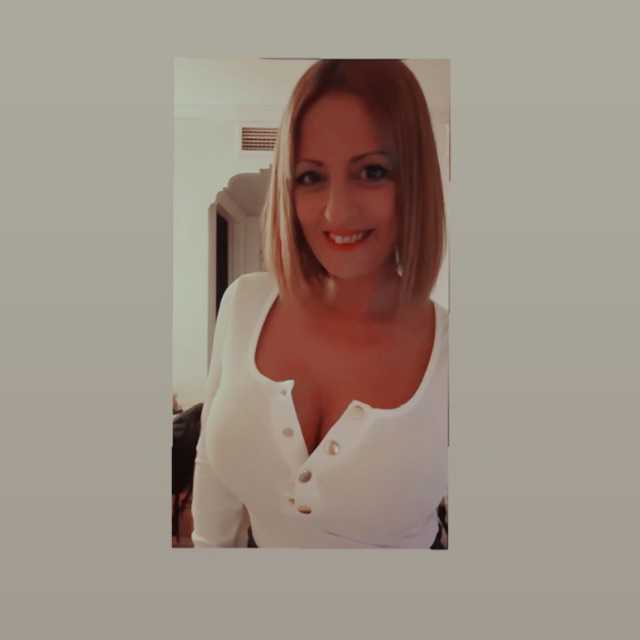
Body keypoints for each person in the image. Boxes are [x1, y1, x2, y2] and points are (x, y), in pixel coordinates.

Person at [191, 59, 448, 548]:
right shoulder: (244, 303)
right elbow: (212, 473)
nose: (337, 211)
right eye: (311, 177)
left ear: (414, 182)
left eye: (372, 171)